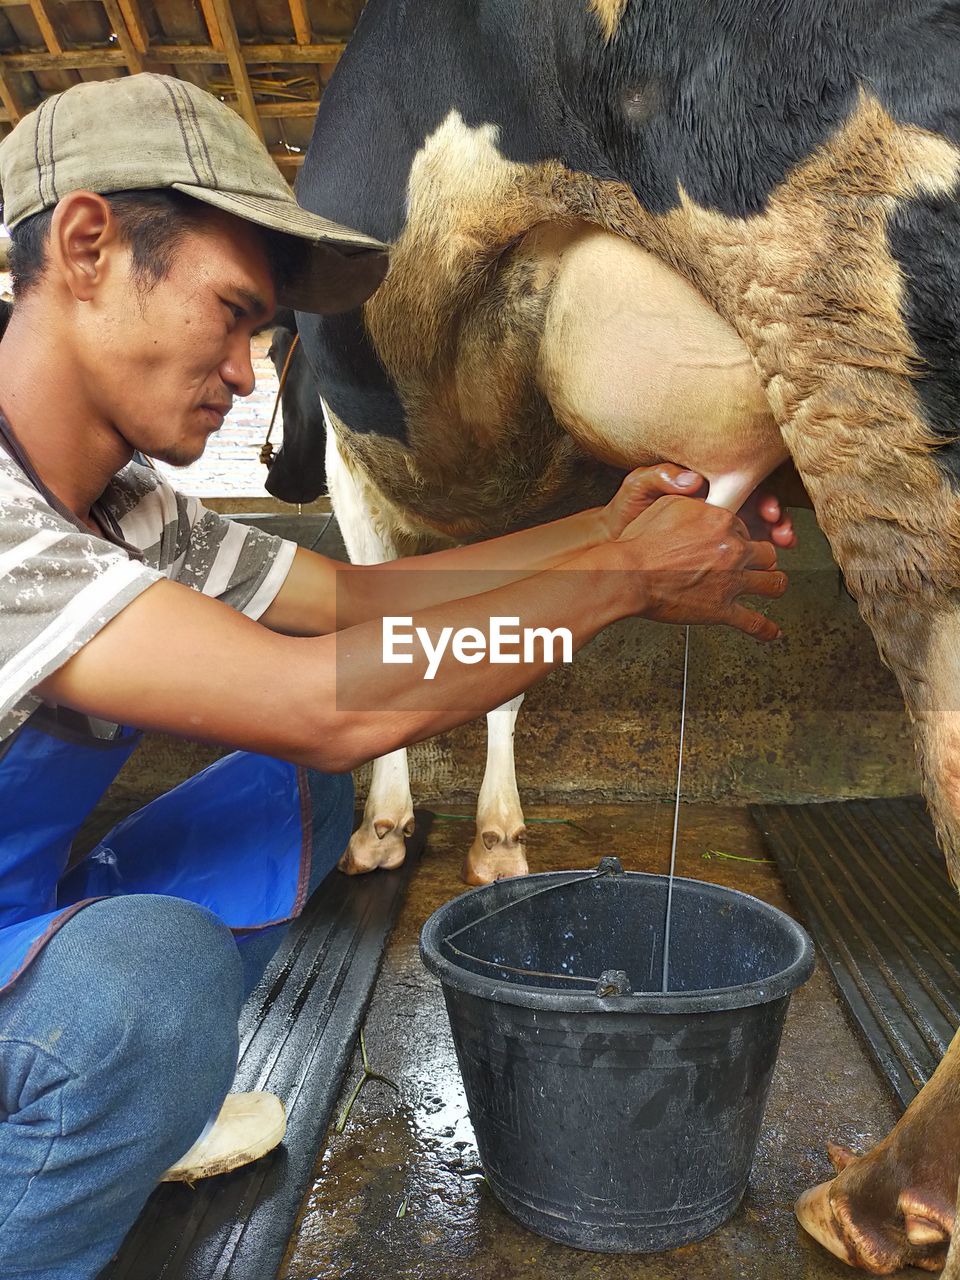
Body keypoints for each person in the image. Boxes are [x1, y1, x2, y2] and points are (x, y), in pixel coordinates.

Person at [0, 73, 792, 1280]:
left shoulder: (128, 506)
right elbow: (323, 703)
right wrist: (626, 585)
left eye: (265, 337)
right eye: (231, 312)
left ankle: (117, 1112)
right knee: (151, 988)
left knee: (293, 792)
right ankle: (95, 1108)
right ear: (90, 244)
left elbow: (358, 602)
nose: (251, 376)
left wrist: (605, 533)